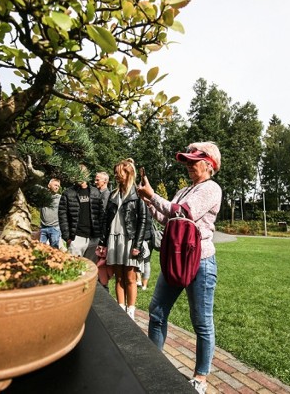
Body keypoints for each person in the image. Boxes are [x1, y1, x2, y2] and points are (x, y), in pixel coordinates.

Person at [136, 142, 222, 394]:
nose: (188, 166)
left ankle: (200, 378)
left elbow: (184, 212)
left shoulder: (211, 189)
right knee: (156, 311)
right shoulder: (184, 190)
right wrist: (149, 202)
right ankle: (155, 366)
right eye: (187, 161)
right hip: (176, 258)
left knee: (202, 322)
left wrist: (153, 196)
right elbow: (168, 217)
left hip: (200, 262)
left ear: (209, 164)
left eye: (193, 162)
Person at [96, 158, 148, 319]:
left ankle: (131, 311)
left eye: (120, 173)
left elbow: (143, 220)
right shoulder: (113, 194)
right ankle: (120, 310)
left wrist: (138, 244)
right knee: (118, 277)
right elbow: (106, 220)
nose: (117, 176)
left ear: (129, 173)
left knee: (130, 277)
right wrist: (103, 243)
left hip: (130, 240)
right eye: (115, 174)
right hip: (114, 240)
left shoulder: (138, 194)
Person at [58, 165, 103, 261]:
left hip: (93, 238)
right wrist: (67, 237)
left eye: (81, 173)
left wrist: (100, 235)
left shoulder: (96, 192)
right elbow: (62, 216)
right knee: (74, 269)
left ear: (86, 175)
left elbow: (101, 214)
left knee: (90, 270)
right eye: (76, 174)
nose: (78, 176)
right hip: (76, 238)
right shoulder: (68, 193)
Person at [39, 178, 61, 248]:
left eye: (58, 186)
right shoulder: (42, 197)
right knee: (40, 248)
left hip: (55, 228)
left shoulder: (60, 198)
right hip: (43, 228)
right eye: (55, 185)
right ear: (49, 185)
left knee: (54, 250)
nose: (57, 187)